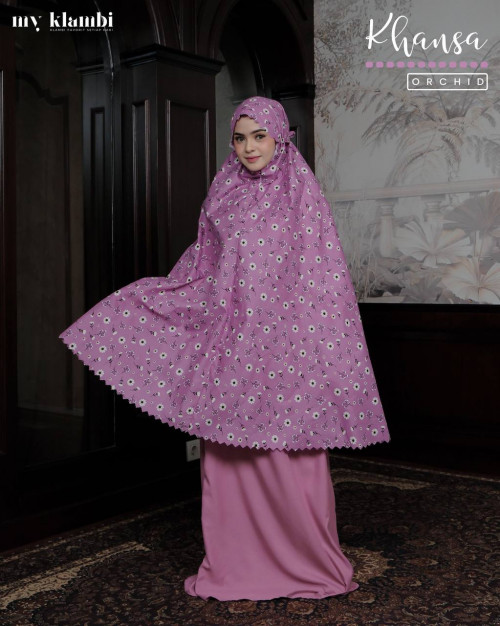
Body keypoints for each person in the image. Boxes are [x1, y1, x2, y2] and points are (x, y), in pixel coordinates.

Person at [60, 96, 390, 601]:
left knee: (290, 456)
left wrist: (304, 347)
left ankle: (309, 565)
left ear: (281, 137)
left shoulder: (301, 194)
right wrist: (172, 299)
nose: (249, 147)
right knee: (228, 454)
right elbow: (204, 264)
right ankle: (235, 566)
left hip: (287, 348)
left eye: (260, 136)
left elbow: (323, 278)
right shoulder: (223, 192)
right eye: (240, 137)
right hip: (230, 345)